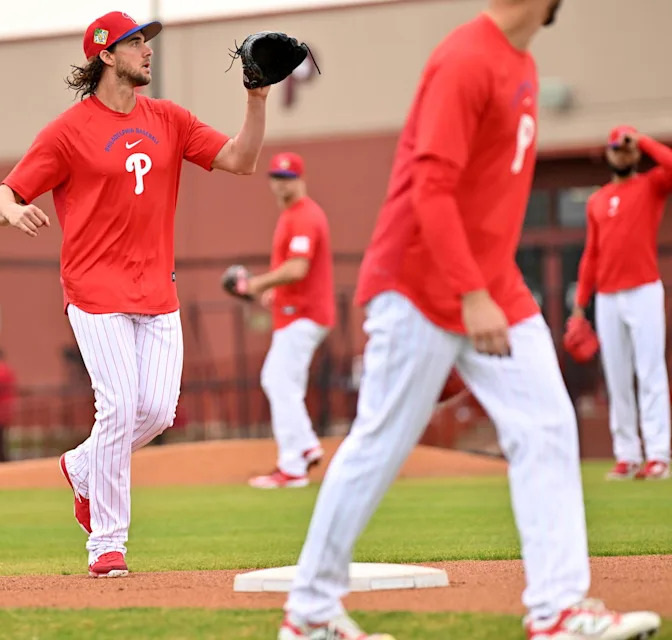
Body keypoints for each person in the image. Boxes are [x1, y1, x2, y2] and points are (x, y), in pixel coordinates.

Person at [278, 2, 662, 639]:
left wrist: (484, 288)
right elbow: (430, 187)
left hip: (492, 285)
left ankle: (558, 610)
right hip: (419, 282)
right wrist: (468, 291)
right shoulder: (465, 57)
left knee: (546, 424)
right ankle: (310, 613)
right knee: (380, 444)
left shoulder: (523, 66)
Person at [0, 11, 270, 579]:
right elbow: (1, 194)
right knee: (117, 406)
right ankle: (106, 544)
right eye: (135, 42)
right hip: (93, 290)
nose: (147, 50)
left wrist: (256, 96)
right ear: (105, 55)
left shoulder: (169, 119)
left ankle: (83, 464)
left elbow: (241, 160)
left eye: (146, 41)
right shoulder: (68, 131)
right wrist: (14, 211)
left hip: (156, 291)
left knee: (158, 410)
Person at [572, 126, 672, 481]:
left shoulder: (649, 185)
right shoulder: (597, 200)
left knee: (650, 372)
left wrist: (642, 140)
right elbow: (591, 255)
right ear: (609, 154)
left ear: (634, 154)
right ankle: (627, 454)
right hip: (608, 295)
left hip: (643, 289)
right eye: (617, 148)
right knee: (616, 376)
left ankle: (658, 453)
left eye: (627, 149)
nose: (622, 154)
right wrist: (580, 305)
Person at [242, 152, 335, 489]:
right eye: (276, 178)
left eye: (287, 177)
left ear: (300, 178)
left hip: (305, 314)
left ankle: (298, 459)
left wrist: (257, 284)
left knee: (278, 381)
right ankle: (300, 454)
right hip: (295, 311)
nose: (281, 184)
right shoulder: (291, 215)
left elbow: (298, 268)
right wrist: (275, 293)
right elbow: (294, 273)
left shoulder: (305, 216)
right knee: (281, 382)